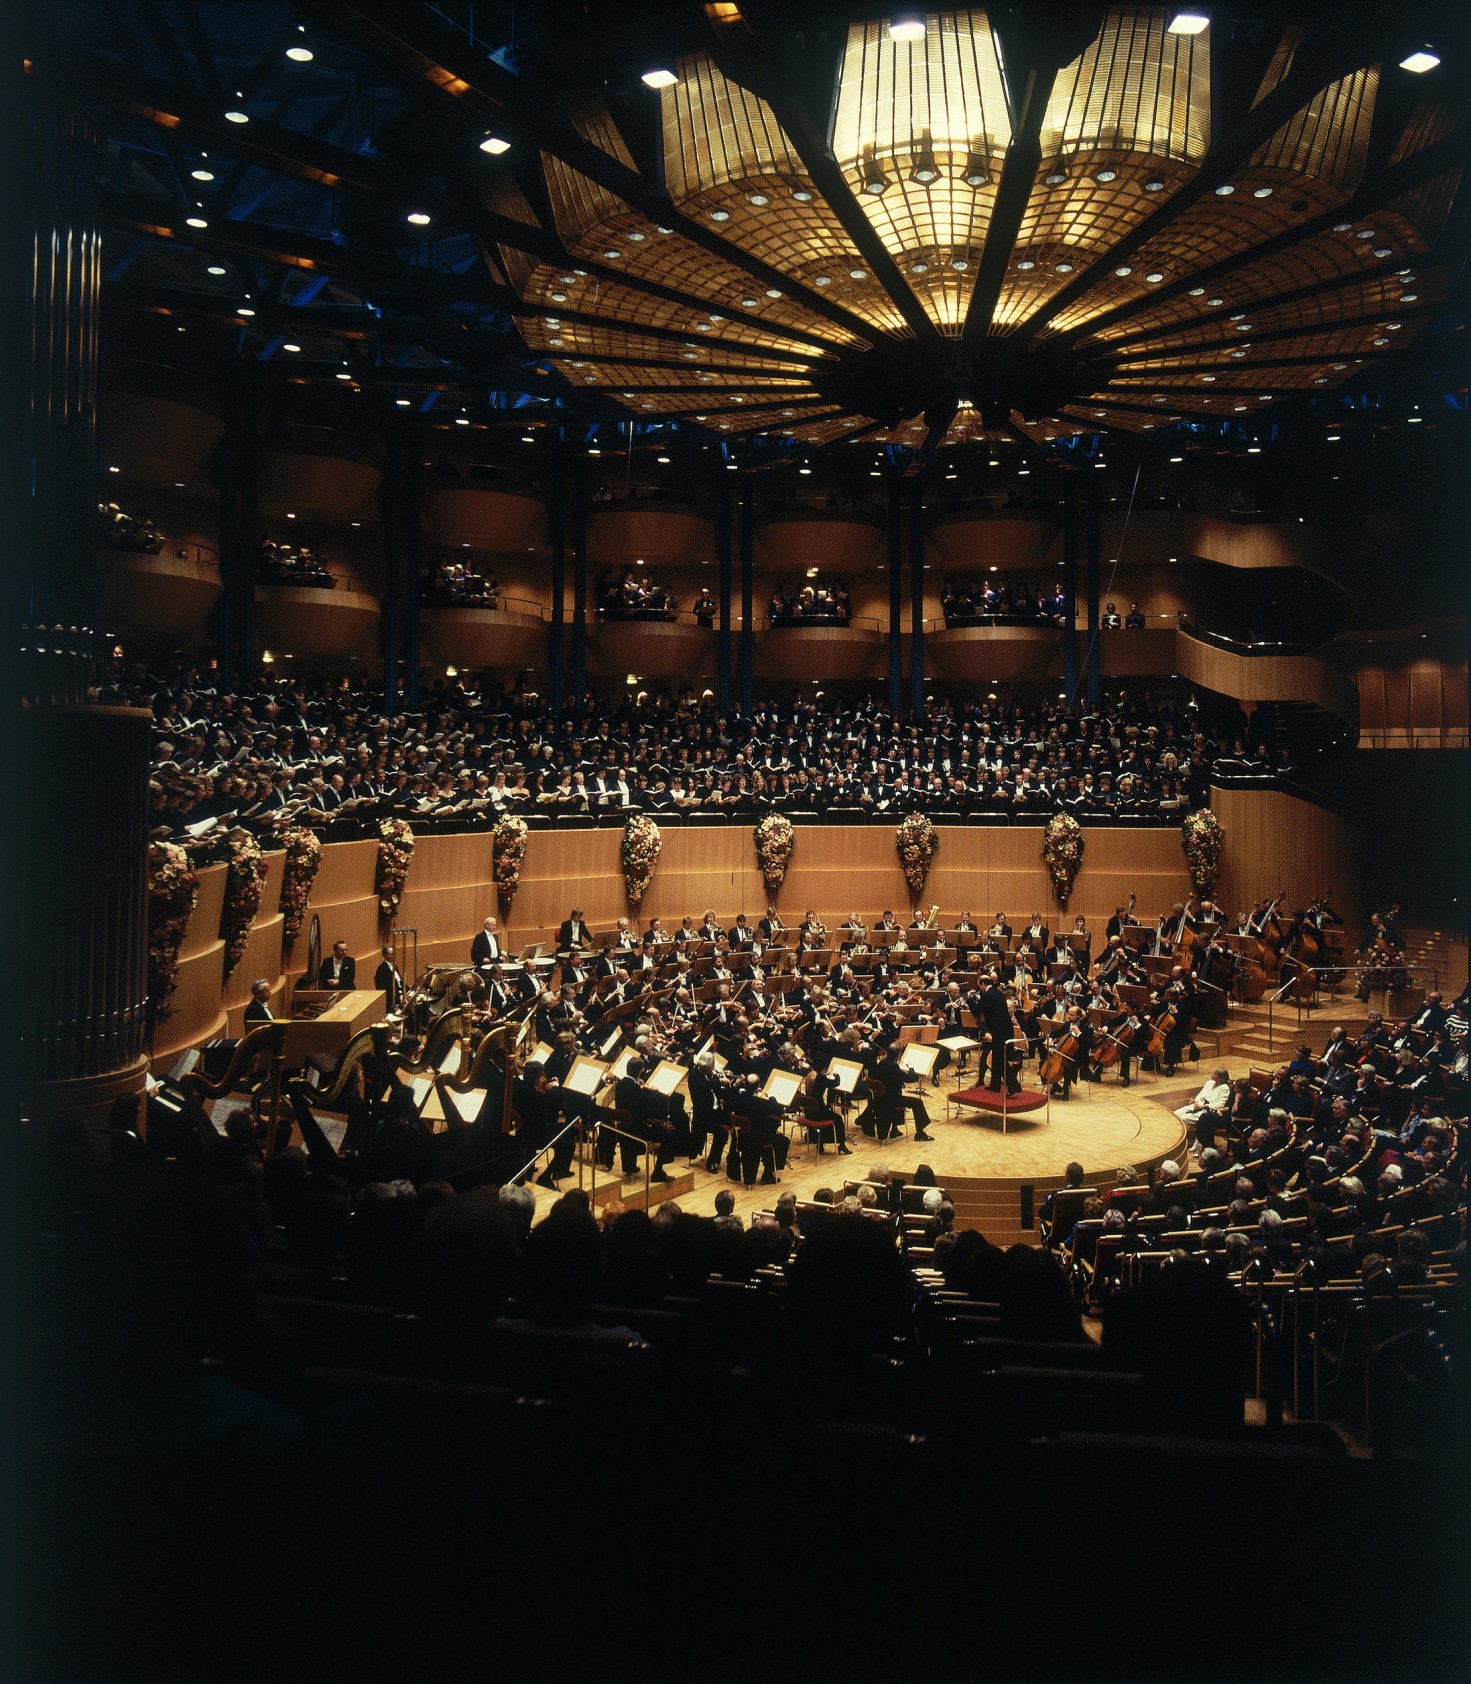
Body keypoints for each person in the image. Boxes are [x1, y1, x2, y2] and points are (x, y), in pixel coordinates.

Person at [978, 974, 1021, 1095]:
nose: (979, 989)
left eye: (979, 986)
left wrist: (971, 999)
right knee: (997, 1059)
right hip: (1005, 1029)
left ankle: (1014, 1086)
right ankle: (995, 1085)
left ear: (982, 984)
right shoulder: (997, 992)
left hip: (999, 1031)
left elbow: (977, 1011)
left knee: (1000, 1059)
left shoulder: (988, 994)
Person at [374, 944, 404, 1011]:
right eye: (392, 954)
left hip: (399, 993)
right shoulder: (382, 969)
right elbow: (388, 987)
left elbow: (400, 982)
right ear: (385, 955)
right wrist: (399, 995)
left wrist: (410, 990)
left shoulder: (394, 966)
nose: (394, 956)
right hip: (391, 998)